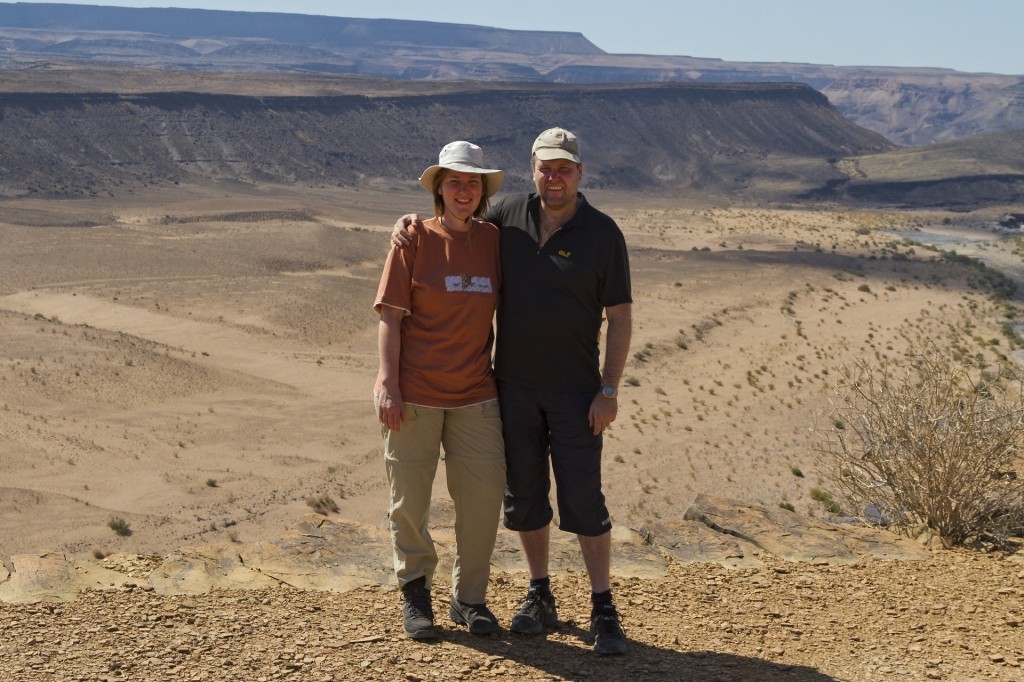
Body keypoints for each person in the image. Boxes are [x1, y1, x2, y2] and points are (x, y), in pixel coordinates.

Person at [393, 127, 633, 655]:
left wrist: (609, 390)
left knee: (584, 500)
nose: (554, 177)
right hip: (512, 389)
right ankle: (539, 593)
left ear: (579, 173)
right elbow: (453, 228)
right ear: (532, 169)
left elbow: (619, 317)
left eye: (564, 168)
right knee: (524, 498)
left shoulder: (602, 233)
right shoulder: (507, 217)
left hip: (576, 391)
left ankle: (602, 607)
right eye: (546, 168)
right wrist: (410, 225)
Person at [374, 140, 507, 640]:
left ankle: (469, 598)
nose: (464, 190)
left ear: (482, 192)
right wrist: (387, 382)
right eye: (455, 181)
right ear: (438, 188)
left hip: (476, 394)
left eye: (473, 182)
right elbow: (390, 315)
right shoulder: (412, 240)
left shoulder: (496, 240)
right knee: (408, 501)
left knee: (482, 502)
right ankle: (415, 594)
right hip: (414, 396)